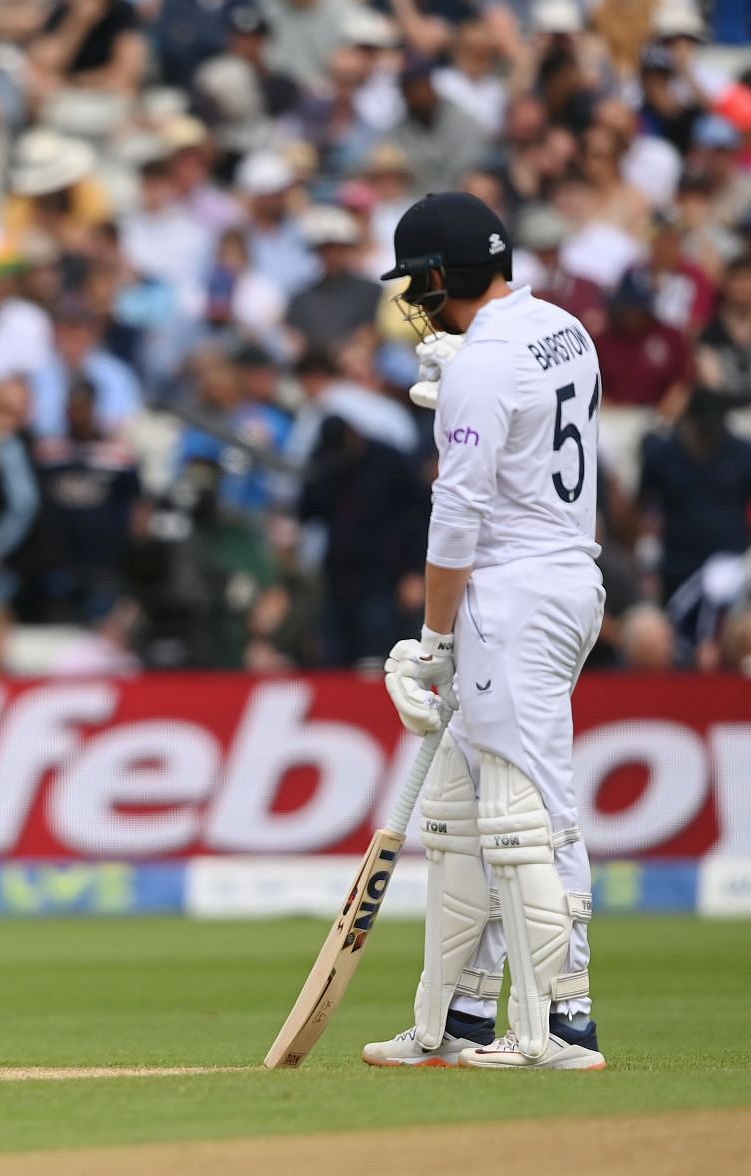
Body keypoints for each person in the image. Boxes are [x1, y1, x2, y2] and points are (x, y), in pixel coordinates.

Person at [372, 193, 607, 1070]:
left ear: (440, 277)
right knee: (466, 813)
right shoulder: (563, 327)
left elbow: (457, 514)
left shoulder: (480, 366)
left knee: (530, 811)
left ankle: (562, 1022)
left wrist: (432, 641)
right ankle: (464, 1014)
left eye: (417, 284)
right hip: (560, 576)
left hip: (514, 592)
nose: (414, 303)